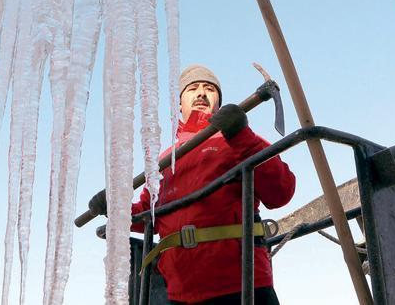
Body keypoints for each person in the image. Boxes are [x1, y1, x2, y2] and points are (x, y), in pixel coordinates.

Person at [92, 65, 296, 304]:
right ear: (180, 103)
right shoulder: (164, 161)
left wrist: (242, 135)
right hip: (180, 294)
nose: (201, 93)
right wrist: (115, 208)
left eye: (209, 89)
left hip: (241, 285)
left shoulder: (241, 139)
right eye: (192, 88)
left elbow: (281, 192)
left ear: (218, 102)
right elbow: (147, 216)